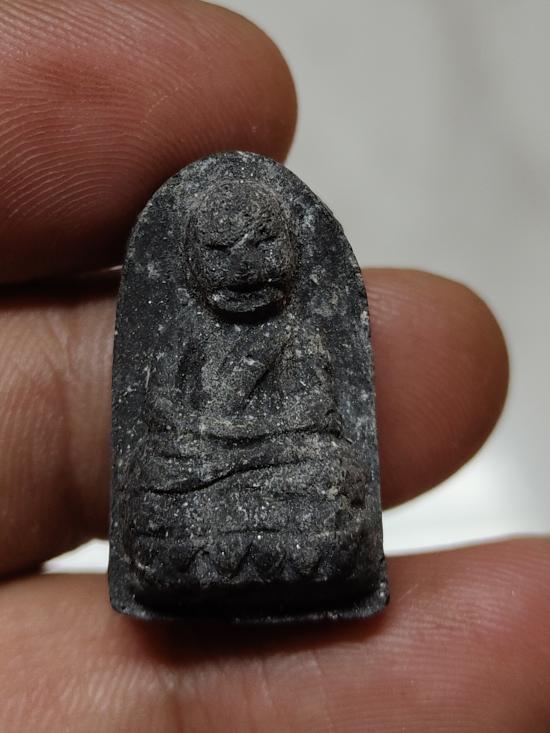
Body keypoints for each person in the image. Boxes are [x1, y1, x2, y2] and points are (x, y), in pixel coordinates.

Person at [0, 1, 546, 730]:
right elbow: (164, 419)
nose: (244, 265)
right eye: (221, 252)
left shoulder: (302, 340)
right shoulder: (184, 342)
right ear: (192, 266)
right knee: (155, 479)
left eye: (261, 243)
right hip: (200, 478)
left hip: (280, 471)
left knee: (329, 474)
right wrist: (208, 450)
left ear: (289, 250)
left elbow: (316, 420)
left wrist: (249, 448)